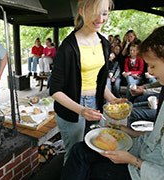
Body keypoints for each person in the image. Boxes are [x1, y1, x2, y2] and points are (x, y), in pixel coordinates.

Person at [61, 25, 164, 180]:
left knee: (94, 170)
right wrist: (128, 131)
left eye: (153, 65)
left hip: (144, 169)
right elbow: (157, 136)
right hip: (143, 150)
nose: (149, 71)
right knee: (79, 150)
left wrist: (132, 160)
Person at [49, 0, 117, 163]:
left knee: (95, 148)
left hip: (96, 104)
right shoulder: (68, 47)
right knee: (73, 155)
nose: (100, 19)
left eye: (105, 13)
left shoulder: (104, 43)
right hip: (73, 107)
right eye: (95, 12)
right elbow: (55, 90)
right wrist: (81, 110)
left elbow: (99, 81)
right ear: (81, 11)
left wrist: (113, 99)